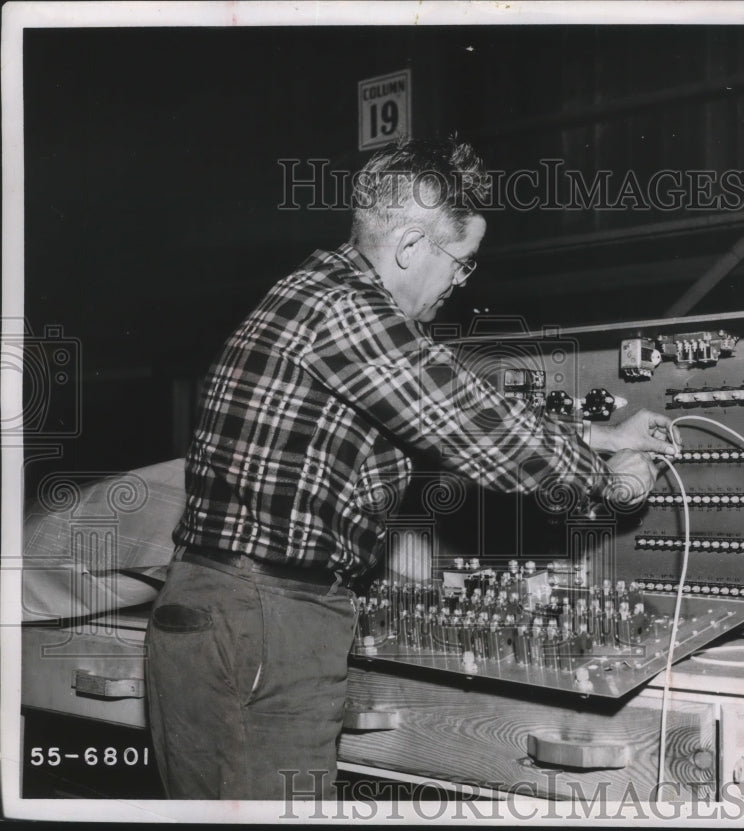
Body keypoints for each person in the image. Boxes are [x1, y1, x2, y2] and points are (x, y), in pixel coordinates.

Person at [145, 136, 678, 800]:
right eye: (463, 262)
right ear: (409, 247)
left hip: (226, 611)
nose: (461, 281)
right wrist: (615, 484)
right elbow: (471, 422)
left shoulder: (313, 292)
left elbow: (448, 411)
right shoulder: (348, 309)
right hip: (268, 618)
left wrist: (598, 432)